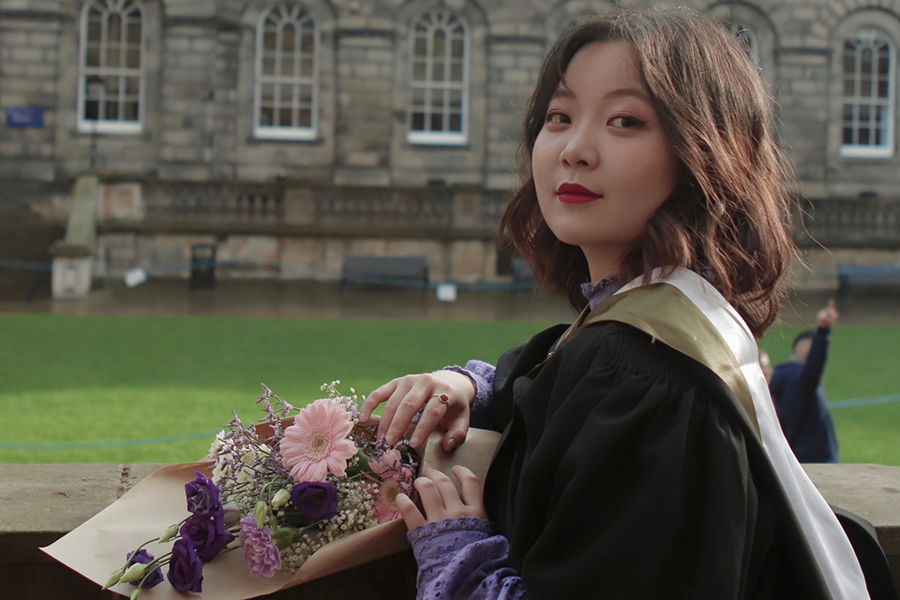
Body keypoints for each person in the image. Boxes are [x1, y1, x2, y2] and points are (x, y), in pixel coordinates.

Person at [359, 9, 870, 599]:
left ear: (702, 154)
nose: (575, 149)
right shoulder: (648, 321)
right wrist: (472, 386)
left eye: (625, 121)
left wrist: (457, 552)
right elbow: (550, 370)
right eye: (559, 116)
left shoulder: (645, 383)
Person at [770, 300, 841, 463]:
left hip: (795, 457)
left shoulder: (784, 377)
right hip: (814, 460)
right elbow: (812, 371)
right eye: (813, 344)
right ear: (799, 349)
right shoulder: (797, 376)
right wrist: (823, 332)